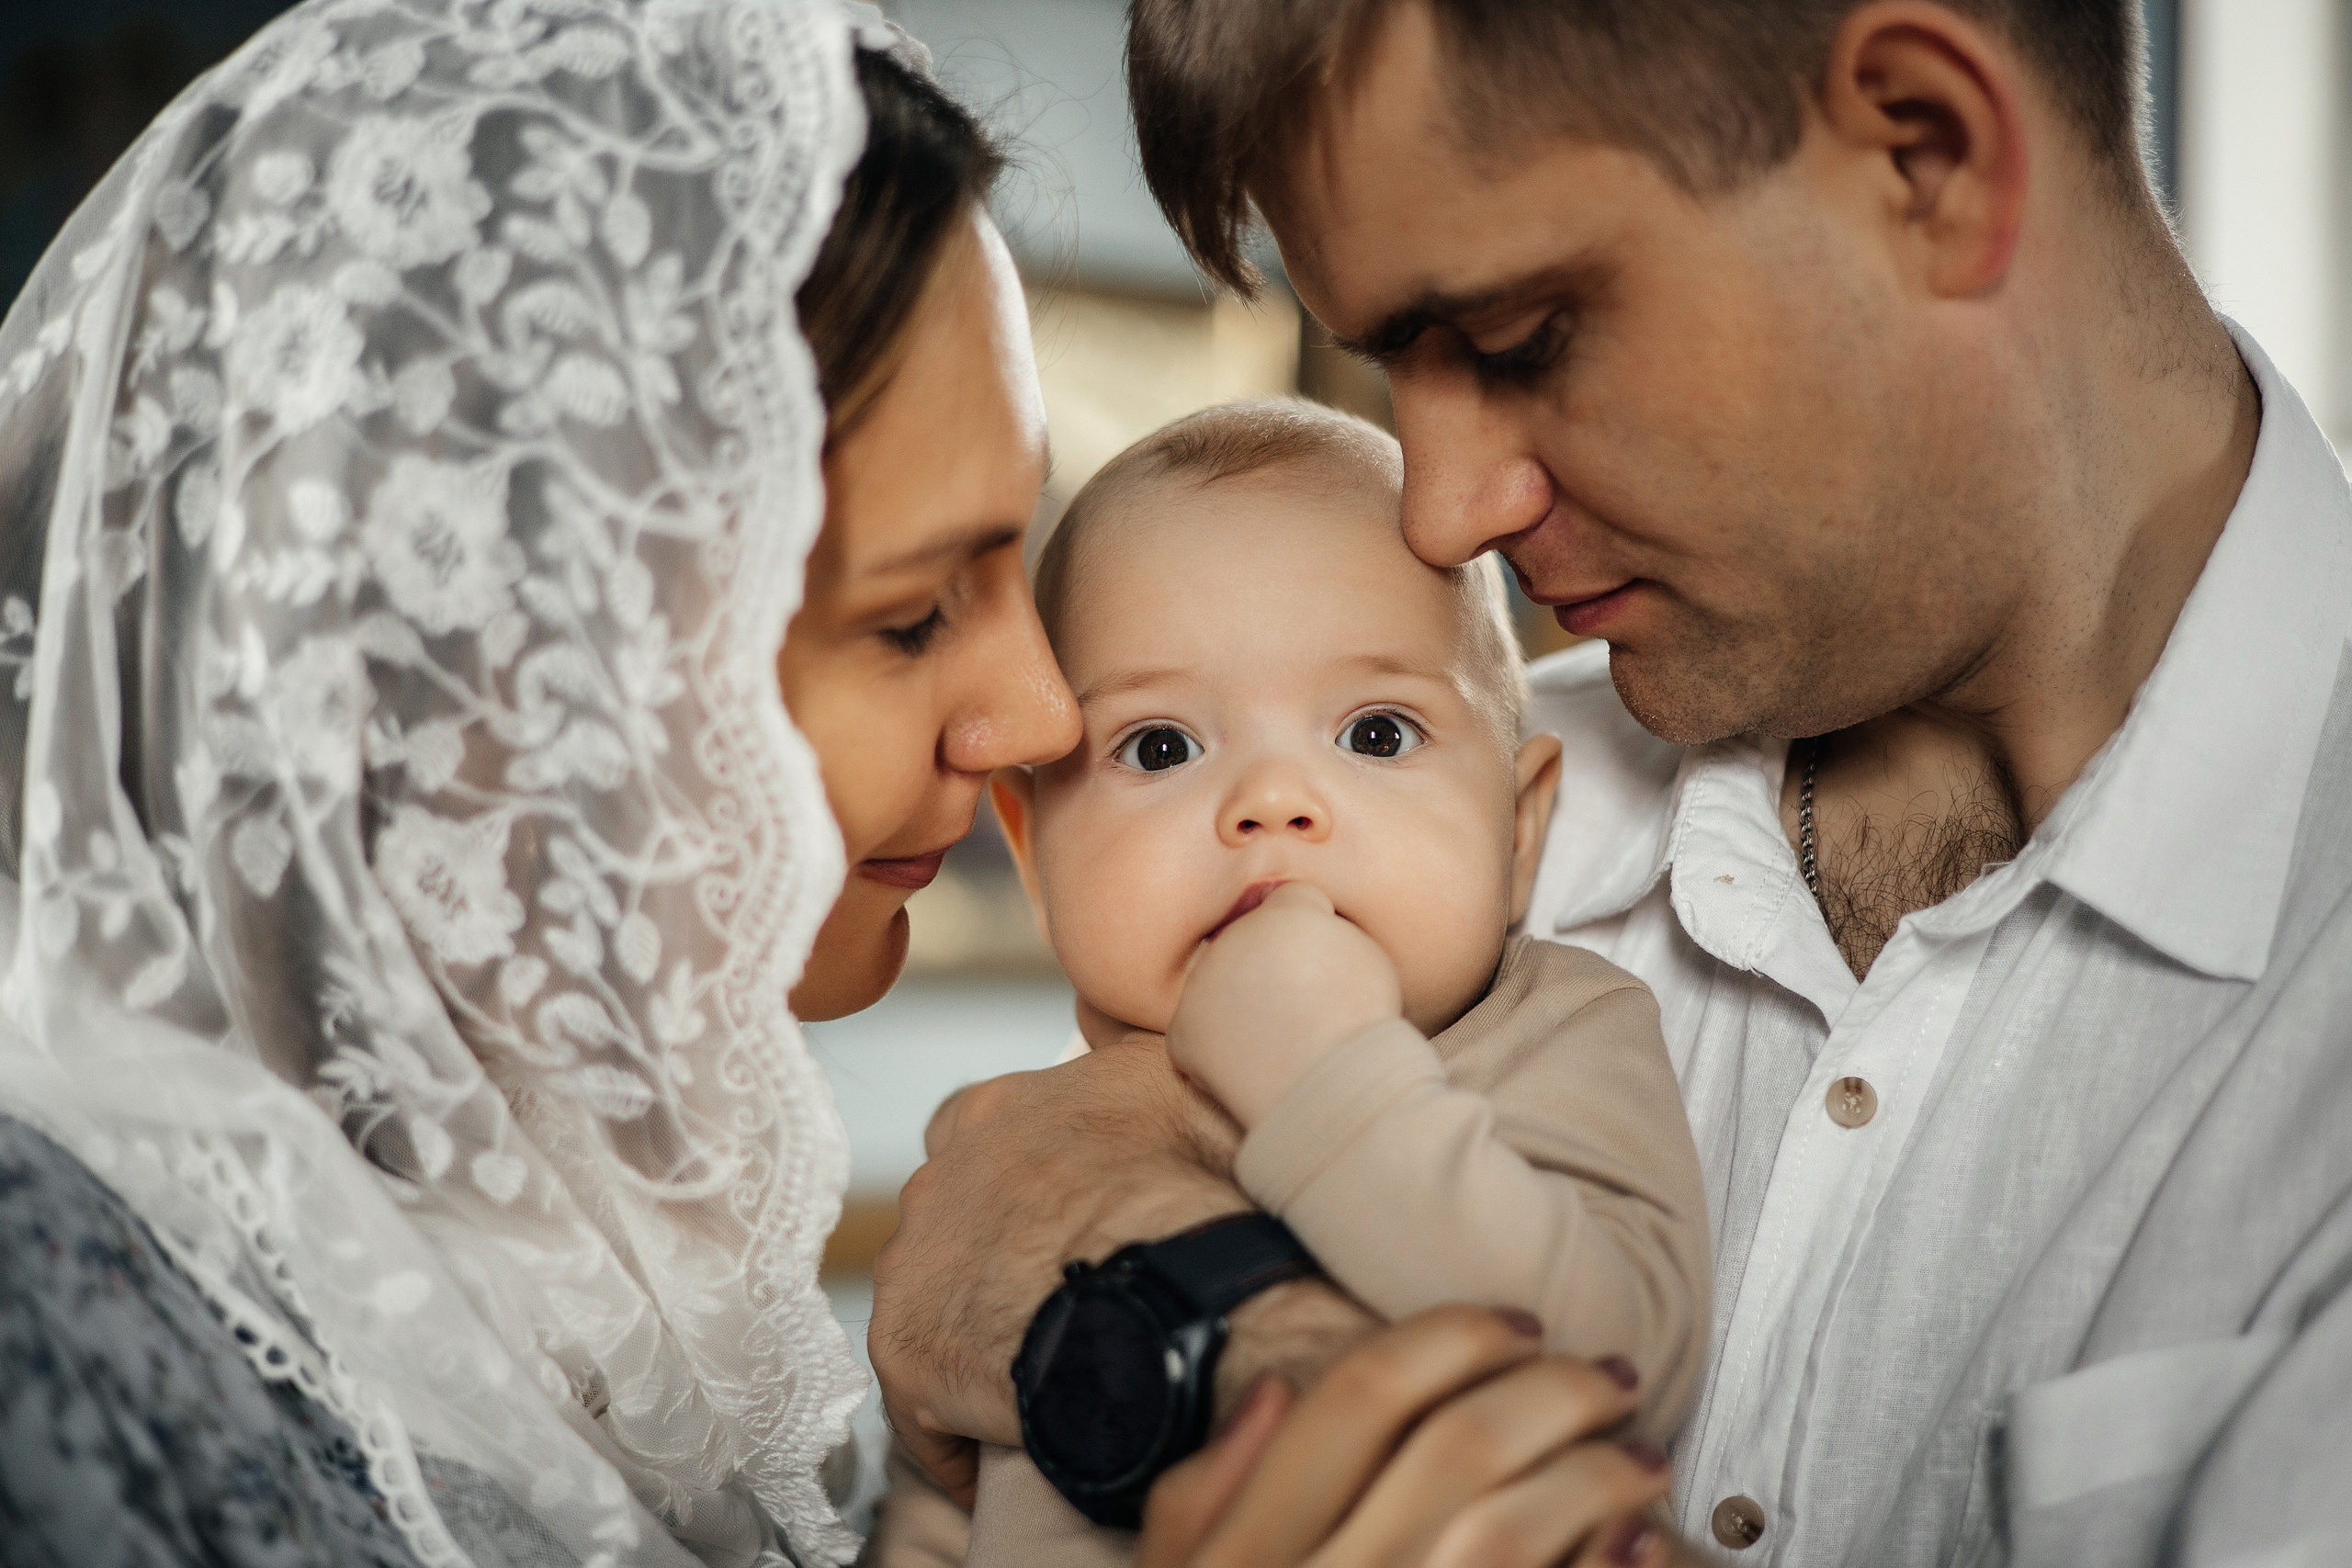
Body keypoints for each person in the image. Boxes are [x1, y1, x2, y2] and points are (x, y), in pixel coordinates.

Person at [0, 1, 1671, 1562]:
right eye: (911, 611)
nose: (1038, 714)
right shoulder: (55, 1308)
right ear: (496, 685)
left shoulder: (640, 1306)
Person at [876, 0, 2352, 1563]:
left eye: (1519, 343)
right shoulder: (1398, 824)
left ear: (1927, 157)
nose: (1442, 517)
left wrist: (1137, 1284)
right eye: (1394, 374)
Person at [866, 397, 1708, 1566]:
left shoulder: (1554, 1025)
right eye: (1159, 747)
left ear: (1517, 832)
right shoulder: (1025, 1143)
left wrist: (1326, 1077)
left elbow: (1612, 1364)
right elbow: (939, 1484)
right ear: (1034, 856)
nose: (1270, 801)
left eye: (1373, 734)